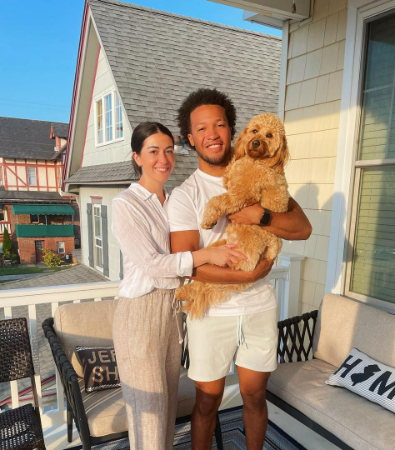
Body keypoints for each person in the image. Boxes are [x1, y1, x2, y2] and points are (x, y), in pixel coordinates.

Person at [167, 89, 312, 450]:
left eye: (219, 124)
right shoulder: (185, 195)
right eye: (201, 128)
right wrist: (247, 276)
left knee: (255, 397)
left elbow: (303, 228)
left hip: (259, 308)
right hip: (212, 312)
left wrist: (261, 216)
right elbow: (189, 267)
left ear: (233, 130)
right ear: (191, 138)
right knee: (207, 402)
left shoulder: (263, 171)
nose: (212, 134)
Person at [111, 121, 250, 450]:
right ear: (137, 157)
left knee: (168, 409)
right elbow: (153, 265)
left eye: (169, 150)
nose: (164, 158)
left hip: (173, 311)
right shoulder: (125, 204)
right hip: (140, 313)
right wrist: (206, 255)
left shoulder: (174, 200)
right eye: (154, 151)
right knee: (149, 415)